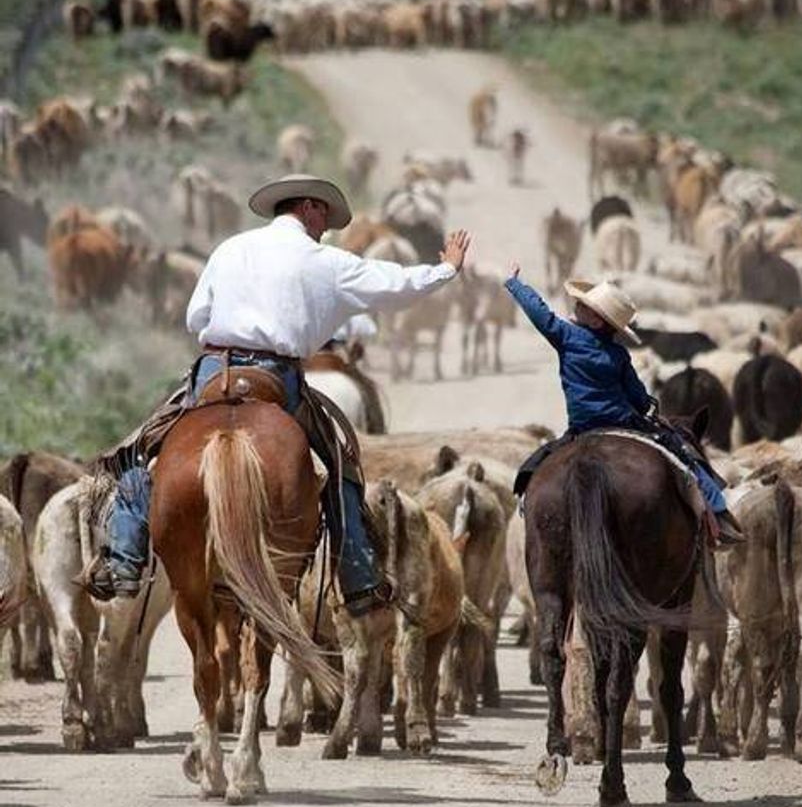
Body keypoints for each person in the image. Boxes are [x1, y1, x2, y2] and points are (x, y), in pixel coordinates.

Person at [91, 173, 471, 612]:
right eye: (324, 214)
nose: (326, 225)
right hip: (277, 376)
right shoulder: (326, 261)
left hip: (216, 370)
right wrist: (447, 269)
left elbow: (197, 318)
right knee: (339, 463)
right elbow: (395, 286)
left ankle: (123, 558)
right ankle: (358, 576)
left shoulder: (229, 249)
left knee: (144, 450)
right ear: (308, 207)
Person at [505, 268, 744, 546]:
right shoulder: (618, 354)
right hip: (624, 424)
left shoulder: (567, 338)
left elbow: (540, 314)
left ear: (596, 320)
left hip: (581, 428)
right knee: (686, 459)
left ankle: (526, 509)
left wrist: (515, 285)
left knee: (533, 470)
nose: (577, 305)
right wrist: (647, 407)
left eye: (584, 305)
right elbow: (639, 398)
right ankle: (719, 516)